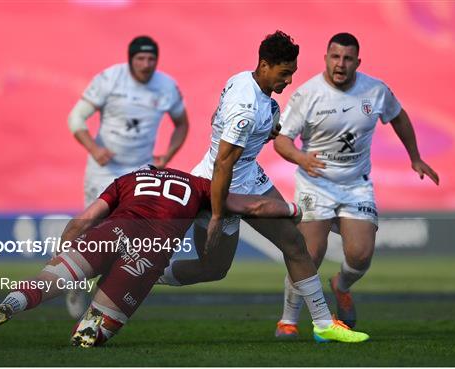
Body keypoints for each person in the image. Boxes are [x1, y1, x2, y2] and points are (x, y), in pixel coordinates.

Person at [156, 31, 369, 343]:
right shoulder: (247, 109)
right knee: (211, 268)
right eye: (284, 74)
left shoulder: (241, 79)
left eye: (292, 73)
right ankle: (145, 275)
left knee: (293, 243)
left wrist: (266, 131)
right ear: (265, 66)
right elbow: (223, 164)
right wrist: (216, 213)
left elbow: (219, 122)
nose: (288, 81)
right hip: (219, 187)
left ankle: (323, 323)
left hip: (249, 178)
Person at [0, 166, 304, 349]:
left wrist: (63, 251)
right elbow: (254, 205)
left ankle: (9, 305)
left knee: (44, 283)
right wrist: (292, 208)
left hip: (110, 233)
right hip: (147, 253)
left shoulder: (128, 180)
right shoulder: (197, 186)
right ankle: (91, 325)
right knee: (94, 334)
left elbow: (85, 220)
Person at [273, 32, 439, 337]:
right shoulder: (307, 94)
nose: (341, 64)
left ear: (357, 62)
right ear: (326, 58)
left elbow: (398, 117)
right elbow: (281, 141)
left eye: (347, 58)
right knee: (310, 252)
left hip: (356, 185)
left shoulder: (375, 90)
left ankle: (342, 285)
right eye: (335, 57)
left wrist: (415, 157)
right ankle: (288, 320)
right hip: (316, 183)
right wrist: (301, 158)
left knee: (360, 255)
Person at [66, 35, 189, 317]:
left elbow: (181, 123)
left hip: (140, 171)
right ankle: (74, 282)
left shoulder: (167, 86)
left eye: (151, 59)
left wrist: (168, 154)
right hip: (104, 168)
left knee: (128, 234)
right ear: (130, 59)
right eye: (140, 59)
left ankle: (102, 297)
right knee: (90, 227)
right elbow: (75, 118)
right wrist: (94, 149)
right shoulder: (110, 79)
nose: (146, 65)